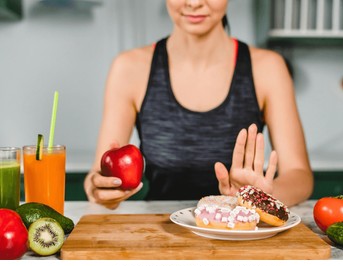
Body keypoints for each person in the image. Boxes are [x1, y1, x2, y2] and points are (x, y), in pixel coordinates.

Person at [84, 0, 313, 210]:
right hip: (160, 236)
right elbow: (96, 175)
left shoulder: (268, 67)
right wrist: (99, 188)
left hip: (240, 236)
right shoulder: (129, 68)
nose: (194, 3)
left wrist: (262, 196)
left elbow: (299, 174)